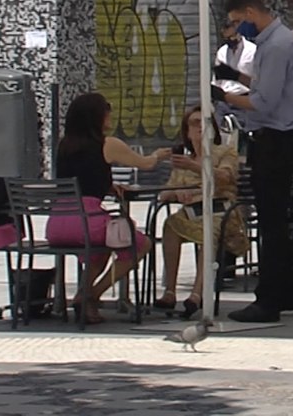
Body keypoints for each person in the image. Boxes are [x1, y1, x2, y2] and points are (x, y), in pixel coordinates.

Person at [212, 0, 293, 323]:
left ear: (251, 12)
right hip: (278, 136)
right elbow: (269, 85)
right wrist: (236, 77)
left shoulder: (278, 45)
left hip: (276, 138)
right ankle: (286, 291)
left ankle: (268, 298)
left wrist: (222, 94)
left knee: (270, 219)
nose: (237, 29)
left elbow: (264, 101)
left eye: (239, 21)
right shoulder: (275, 43)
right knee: (273, 218)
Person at [46, 93, 167, 324]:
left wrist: (107, 186)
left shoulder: (65, 145)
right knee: (141, 244)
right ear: (96, 116)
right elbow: (145, 164)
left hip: (58, 222)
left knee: (100, 251)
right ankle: (92, 294)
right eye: (107, 109)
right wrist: (158, 155)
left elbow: (82, 177)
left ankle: (86, 300)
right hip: (86, 221)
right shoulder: (108, 144)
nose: (110, 114)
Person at [153, 105, 248, 319]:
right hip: (192, 212)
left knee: (208, 231)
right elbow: (164, 194)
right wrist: (177, 192)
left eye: (204, 123)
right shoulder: (184, 160)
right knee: (170, 225)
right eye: (194, 124)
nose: (199, 128)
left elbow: (225, 177)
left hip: (220, 211)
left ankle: (197, 295)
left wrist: (196, 167)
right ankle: (170, 292)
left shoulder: (225, 152)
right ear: (186, 131)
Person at [213, 17, 257, 129]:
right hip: (224, 101)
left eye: (232, 37)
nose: (231, 41)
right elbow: (217, 78)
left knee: (242, 134)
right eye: (227, 39)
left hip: (243, 100)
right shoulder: (222, 52)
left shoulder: (253, 51)